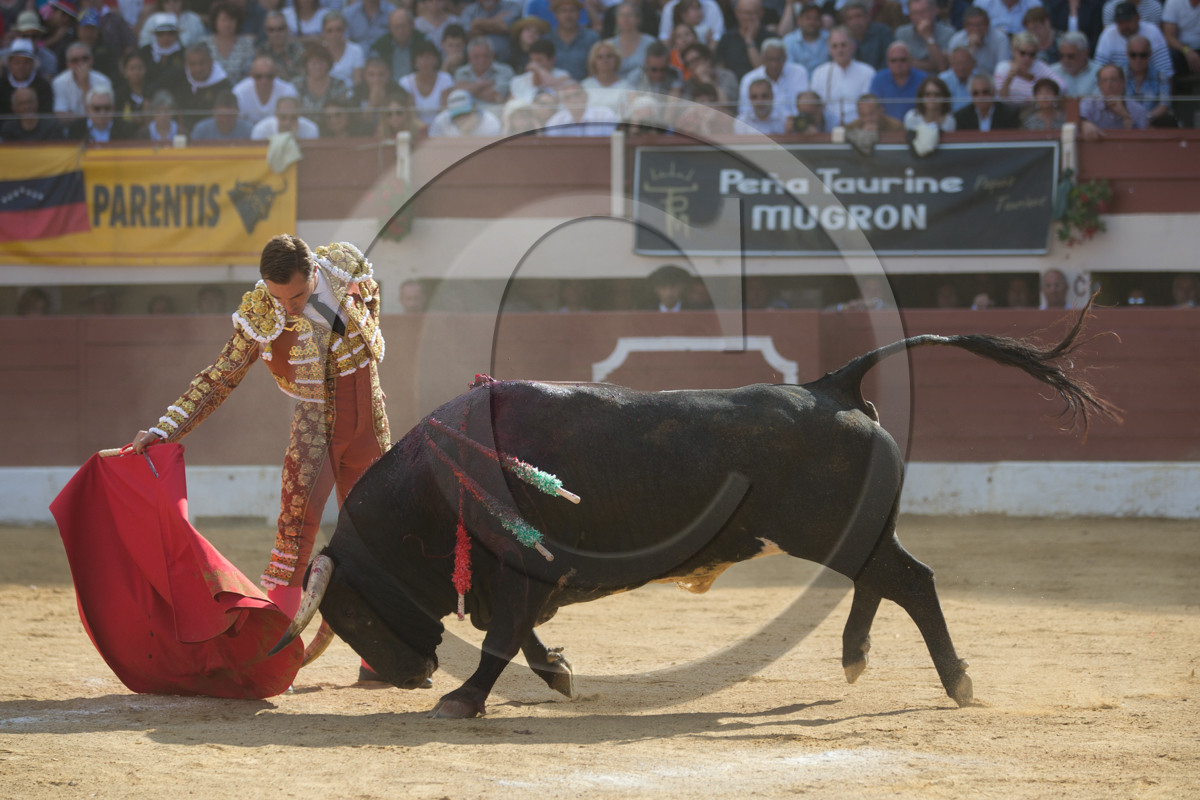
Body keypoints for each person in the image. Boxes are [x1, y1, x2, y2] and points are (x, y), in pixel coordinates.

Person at [128, 236, 393, 666]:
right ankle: (276, 665)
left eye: (297, 297)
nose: (287, 307)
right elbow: (220, 377)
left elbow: (372, 301)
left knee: (378, 537)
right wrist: (165, 429)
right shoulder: (261, 313)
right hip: (316, 430)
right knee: (294, 539)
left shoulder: (346, 267)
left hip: (371, 424)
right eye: (278, 297)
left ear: (315, 273)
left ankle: (379, 660)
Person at [811, 26, 875, 130]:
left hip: (859, 128)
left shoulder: (867, 72)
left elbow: (868, 106)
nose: (839, 50)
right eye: (834, 46)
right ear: (829, 50)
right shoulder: (819, 73)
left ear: (853, 46)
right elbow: (816, 106)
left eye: (843, 45)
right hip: (827, 129)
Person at [1095, 1, 1174, 80]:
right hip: (1117, 84)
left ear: (1138, 18)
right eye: (1120, 22)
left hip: (1149, 83)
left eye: (1128, 21)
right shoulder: (1108, 34)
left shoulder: (1153, 32)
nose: (1125, 26)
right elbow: (1099, 69)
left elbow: (1166, 70)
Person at [737, 38, 807, 120]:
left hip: (793, 123)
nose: (774, 64)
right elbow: (744, 110)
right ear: (763, 59)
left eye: (778, 59)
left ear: (785, 58)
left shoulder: (798, 73)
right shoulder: (749, 79)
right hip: (758, 124)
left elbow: (804, 105)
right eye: (770, 59)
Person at [995, 31, 1067, 106]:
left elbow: (1062, 86)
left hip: (1035, 108)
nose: (1027, 58)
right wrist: (1008, 80)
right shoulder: (1003, 68)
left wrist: (1034, 81)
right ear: (1014, 51)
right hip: (1011, 109)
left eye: (1032, 54)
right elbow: (1000, 98)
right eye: (1023, 53)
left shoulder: (1039, 66)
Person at [1080, 62, 1151, 132]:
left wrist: (1125, 116)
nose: (1109, 85)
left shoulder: (1138, 110)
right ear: (1099, 85)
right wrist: (1084, 123)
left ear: (1123, 82)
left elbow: (1141, 137)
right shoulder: (1090, 104)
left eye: (1113, 80)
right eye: (1104, 81)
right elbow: (1077, 120)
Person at [1124, 34, 1178, 125]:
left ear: (1149, 54)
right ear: (1127, 54)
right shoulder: (1119, 75)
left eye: (1143, 55)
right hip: (1125, 122)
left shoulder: (1160, 75)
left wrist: (1146, 119)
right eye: (1133, 55)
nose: (1138, 59)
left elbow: (1164, 105)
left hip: (1152, 122)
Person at [53, 41, 114, 120]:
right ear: (68, 64)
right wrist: (84, 121)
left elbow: (105, 113)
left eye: (85, 59)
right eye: (75, 60)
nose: (81, 63)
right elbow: (61, 115)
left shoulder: (103, 81)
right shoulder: (59, 82)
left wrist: (85, 85)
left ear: (91, 60)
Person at [453, 36, 515, 113]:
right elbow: (459, 95)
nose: (481, 60)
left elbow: (496, 95)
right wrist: (483, 85)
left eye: (486, 56)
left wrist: (468, 89)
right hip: (467, 115)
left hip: (496, 114)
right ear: (469, 56)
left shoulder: (505, 71)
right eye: (476, 57)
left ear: (492, 55)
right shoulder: (461, 72)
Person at [948, 6, 1012, 78]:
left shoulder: (1000, 39)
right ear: (965, 26)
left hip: (992, 81)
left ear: (987, 24)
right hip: (964, 80)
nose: (976, 29)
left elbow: (1003, 70)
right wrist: (971, 49)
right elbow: (953, 69)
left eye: (980, 24)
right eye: (972, 25)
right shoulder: (956, 40)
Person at [204, 1, 258, 86]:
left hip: (240, 89)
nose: (227, 24)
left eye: (231, 20)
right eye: (223, 20)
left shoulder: (247, 44)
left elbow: (250, 73)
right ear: (215, 21)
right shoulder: (204, 44)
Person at [870, 41, 927, 121]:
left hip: (917, 125)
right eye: (893, 60)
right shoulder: (879, 79)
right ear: (887, 62)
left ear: (910, 60)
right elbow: (873, 108)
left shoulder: (923, 79)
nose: (898, 64)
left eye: (902, 60)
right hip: (887, 126)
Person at [233, 54, 299, 123]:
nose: (264, 81)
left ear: (276, 74)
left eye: (269, 76)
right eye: (258, 76)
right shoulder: (240, 92)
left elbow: (291, 120)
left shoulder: (287, 91)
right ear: (251, 75)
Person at [895, 0, 955, 75]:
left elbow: (942, 66)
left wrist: (928, 36)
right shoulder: (901, 33)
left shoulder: (948, 33)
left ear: (934, 11)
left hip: (938, 79)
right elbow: (902, 65)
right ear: (910, 16)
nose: (920, 16)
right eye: (915, 13)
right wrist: (932, 65)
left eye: (923, 12)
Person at [370, 8, 430, 82]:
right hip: (390, 86)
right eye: (396, 27)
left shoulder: (424, 41)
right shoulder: (381, 45)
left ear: (412, 25)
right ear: (390, 28)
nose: (400, 31)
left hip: (417, 84)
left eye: (403, 26)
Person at [1, 38, 55, 118]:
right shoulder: (1, 85)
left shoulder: (43, 86)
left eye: (26, 62)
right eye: (17, 62)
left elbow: (46, 115)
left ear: (33, 64)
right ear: (9, 64)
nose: (21, 67)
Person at [292, 41, 350, 117]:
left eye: (321, 63)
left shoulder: (339, 84)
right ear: (306, 65)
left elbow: (342, 113)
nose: (317, 67)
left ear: (328, 64)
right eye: (313, 63)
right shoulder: (296, 85)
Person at [548, 0, 600, 82]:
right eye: (563, 11)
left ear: (579, 13)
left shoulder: (592, 38)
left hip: (585, 86)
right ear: (555, 15)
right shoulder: (547, 40)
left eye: (572, 10)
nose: (568, 15)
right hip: (555, 86)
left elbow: (598, 68)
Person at [715, 0, 768, 80]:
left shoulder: (769, 38)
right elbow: (720, 69)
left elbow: (764, 71)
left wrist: (749, 40)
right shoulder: (727, 38)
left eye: (753, 13)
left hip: (761, 83)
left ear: (761, 13)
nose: (749, 17)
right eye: (746, 13)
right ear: (736, 13)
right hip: (733, 84)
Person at [543, 79, 620, 133]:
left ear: (586, 96)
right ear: (564, 102)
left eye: (577, 94)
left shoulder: (604, 115)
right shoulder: (556, 121)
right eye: (568, 97)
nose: (573, 100)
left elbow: (612, 143)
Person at [459, 0, 522, 65]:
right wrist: (496, 22)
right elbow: (469, 33)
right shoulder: (469, 10)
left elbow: (505, 27)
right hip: (475, 63)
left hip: (507, 61)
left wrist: (478, 23)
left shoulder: (511, 6)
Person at [953, 73, 1023, 129]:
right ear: (971, 95)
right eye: (976, 93)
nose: (981, 97)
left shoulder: (1009, 114)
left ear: (993, 92)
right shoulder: (961, 117)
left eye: (985, 92)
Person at [606, 3, 656, 80]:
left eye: (629, 15)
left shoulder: (650, 43)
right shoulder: (608, 45)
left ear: (638, 19)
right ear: (616, 20)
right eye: (622, 15)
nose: (625, 19)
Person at [580, 40, 631, 115]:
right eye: (600, 57)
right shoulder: (584, 86)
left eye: (609, 56)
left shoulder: (626, 87)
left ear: (616, 59)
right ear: (593, 61)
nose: (605, 60)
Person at [66, 87, 137, 140]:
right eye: (97, 108)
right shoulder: (75, 129)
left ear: (113, 108)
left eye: (107, 108)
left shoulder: (125, 129)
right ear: (87, 109)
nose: (102, 113)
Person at [840, 0, 893, 71]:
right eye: (850, 18)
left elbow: (889, 61)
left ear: (867, 16)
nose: (855, 21)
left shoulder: (883, 33)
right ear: (846, 22)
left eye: (858, 16)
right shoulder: (842, 38)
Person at [782, 2, 830, 76]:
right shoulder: (789, 41)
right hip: (799, 81)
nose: (812, 22)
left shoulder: (830, 38)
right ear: (799, 21)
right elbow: (788, 69)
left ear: (821, 21)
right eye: (808, 18)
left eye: (816, 18)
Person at [429, 87, 504, 134]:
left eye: (465, 113)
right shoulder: (440, 122)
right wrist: (463, 133)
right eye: (457, 115)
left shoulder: (490, 122)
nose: (462, 117)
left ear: (474, 107)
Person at [1050, 31, 1102, 97]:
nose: (1065, 60)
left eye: (1071, 56)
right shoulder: (1051, 72)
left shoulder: (1099, 73)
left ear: (1085, 53)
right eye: (1061, 56)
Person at [321, 11, 366, 88]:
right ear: (323, 32)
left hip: (350, 93)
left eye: (338, 30)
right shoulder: (318, 51)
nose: (334, 34)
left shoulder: (356, 50)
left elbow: (357, 82)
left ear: (345, 30)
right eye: (329, 31)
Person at [191, 88, 255, 139]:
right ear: (214, 111)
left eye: (229, 116)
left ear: (237, 113)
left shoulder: (248, 130)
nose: (225, 120)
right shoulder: (201, 130)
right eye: (221, 115)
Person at [1163, 0, 1200, 86]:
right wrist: (1187, 51)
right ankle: (1170, 91)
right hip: (1181, 51)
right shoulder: (1173, 2)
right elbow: (1169, 36)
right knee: (1168, 56)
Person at [250, 93, 321, 137]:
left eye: (293, 118)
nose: (288, 123)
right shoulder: (261, 130)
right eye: (283, 117)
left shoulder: (310, 130)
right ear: (276, 115)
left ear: (299, 116)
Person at [973, 0, 1044, 36]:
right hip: (991, 45)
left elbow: (1038, 31)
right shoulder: (982, 2)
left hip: (1024, 47)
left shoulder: (1034, 4)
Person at [939, 45, 977, 112]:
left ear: (973, 63)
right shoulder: (942, 81)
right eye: (957, 63)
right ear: (951, 64)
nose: (961, 67)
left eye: (965, 63)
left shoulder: (981, 80)